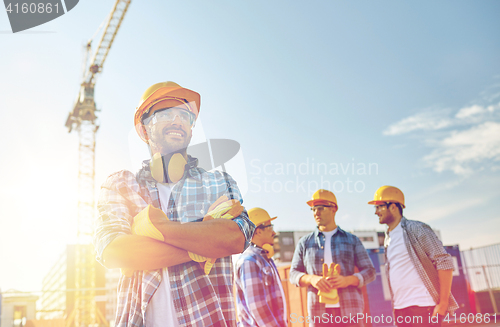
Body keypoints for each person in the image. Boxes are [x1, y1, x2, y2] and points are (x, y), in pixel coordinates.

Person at [93, 81, 255, 327]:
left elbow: (235, 238)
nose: (178, 120)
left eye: (185, 115)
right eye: (166, 113)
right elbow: (115, 252)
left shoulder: (218, 183)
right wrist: (206, 240)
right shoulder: (121, 185)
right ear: (144, 128)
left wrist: (154, 230)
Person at [368, 185, 458, 327]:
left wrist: (443, 303)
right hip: (400, 309)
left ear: (393, 207)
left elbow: (444, 261)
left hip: (423, 307)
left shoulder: (416, 228)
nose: (376, 212)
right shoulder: (388, 238)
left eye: (379, 207)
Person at [290, 189, 376, 327]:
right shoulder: (304, 243)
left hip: (350, 312)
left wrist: (347, 280)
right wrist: (312, 279)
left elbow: (370, 272)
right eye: (313, 209)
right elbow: (293, 274)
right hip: (319, 314)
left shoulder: (352, 240)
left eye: (320, 208)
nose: (316, 213)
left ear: (334, 209)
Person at [234, 207, 287, 327]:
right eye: (270, 227)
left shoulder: (263, 258)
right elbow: (256, 305)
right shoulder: (249, 260)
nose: (274, 232)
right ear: (258, 231)